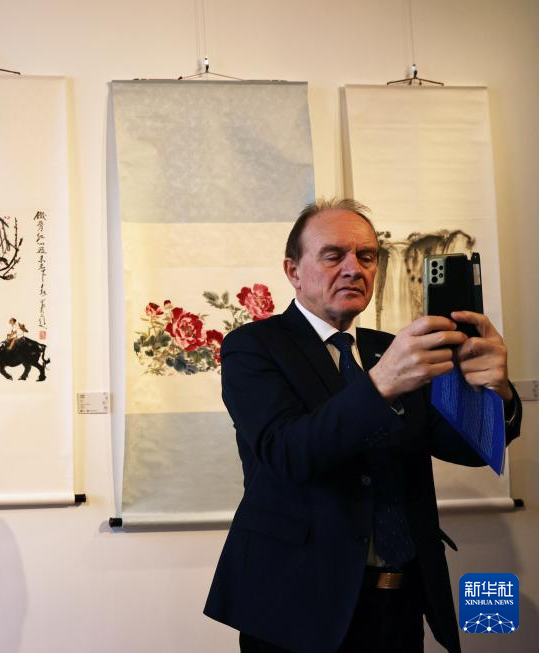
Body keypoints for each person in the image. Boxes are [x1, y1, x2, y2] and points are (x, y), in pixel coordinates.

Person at [203, 199, 522, 652]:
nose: (354, 269)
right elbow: (288, 452)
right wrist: (380, 385)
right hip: (296, 603)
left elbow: (467, 448)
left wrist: (497, 392)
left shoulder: (392, 349)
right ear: (293, 271)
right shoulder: (253, 346)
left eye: (367, 256)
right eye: (334, 255)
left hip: (400, 601)